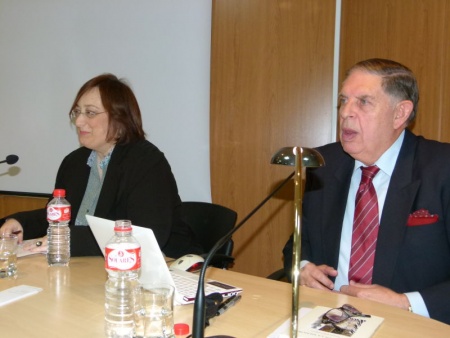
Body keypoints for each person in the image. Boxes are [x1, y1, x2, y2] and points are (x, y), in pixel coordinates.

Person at [283, 58, 450, 324]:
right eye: (344, 100)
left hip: (413, 327)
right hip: (328, 321)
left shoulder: (442, 168)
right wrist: (303, 269)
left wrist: (405, 304)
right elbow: (297, 246)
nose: (346, 112)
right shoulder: (322, 164)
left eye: (363, 102)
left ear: (400, 114)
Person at [0, 74, 202, 258]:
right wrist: (20, 223)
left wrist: (64, 241)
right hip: (87, 266)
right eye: (77, 112)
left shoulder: (146, 162)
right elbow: (60, 217)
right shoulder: (74, 162)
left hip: (163, 267)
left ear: (120, 117)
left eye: (90, 113)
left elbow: (145, 234)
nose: (79, 121)